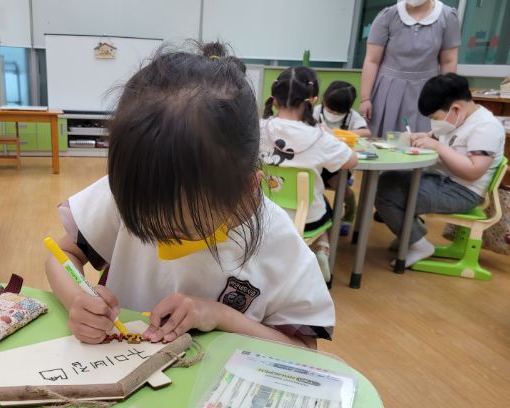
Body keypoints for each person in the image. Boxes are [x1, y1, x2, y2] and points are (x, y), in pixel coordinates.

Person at [46, 43, 335, 349]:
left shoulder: (279, 242)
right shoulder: (135, 190)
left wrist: (220, 315)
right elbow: (62, 254)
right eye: (144, 228)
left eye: (179, 231)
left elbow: (305, 350)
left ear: (248, 192)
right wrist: (77, 298)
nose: (160, 244)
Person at [375, 74, 505, 267]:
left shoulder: (486, 127)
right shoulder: (458, 119)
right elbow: (437, 137)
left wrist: (439, 147)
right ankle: (411, 234)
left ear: (455, 109)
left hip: (463, 192)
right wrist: (422, 138)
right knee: (388, 179)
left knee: (387, 195)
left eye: (434, 118)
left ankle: (418, 244)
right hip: (444, 182)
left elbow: (473, 171)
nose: (433, 123)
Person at [260, 67, 358, 281]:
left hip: (262, 216)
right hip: (305, 221)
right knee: (322, 204)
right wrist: (329, 133)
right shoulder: (319, 136)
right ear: (312, 101)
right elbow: (352, 160)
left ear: (273, 99)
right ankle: (322, 250)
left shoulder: (258, 128)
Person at [360, 0, 461, 137]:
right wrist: (365, 98)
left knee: (421, 139)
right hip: (387, 89)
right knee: (382, 139)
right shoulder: (388, 15)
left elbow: (448, 61)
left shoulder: (448, 17)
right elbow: (372, 60)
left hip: (427, 91)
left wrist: (447, 98)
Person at [314, 80, 369, 236]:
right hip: (318, 161)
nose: (333, 114)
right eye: (330, 110)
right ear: (323, 101)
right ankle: (324, 213)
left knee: (340, 186)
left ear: (348, 109)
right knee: (312, 183)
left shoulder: (352, 117)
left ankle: (350, 211)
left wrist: (339, 134)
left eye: (338, 113)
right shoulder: (317, 111)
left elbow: (366, 133)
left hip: (340, 162)